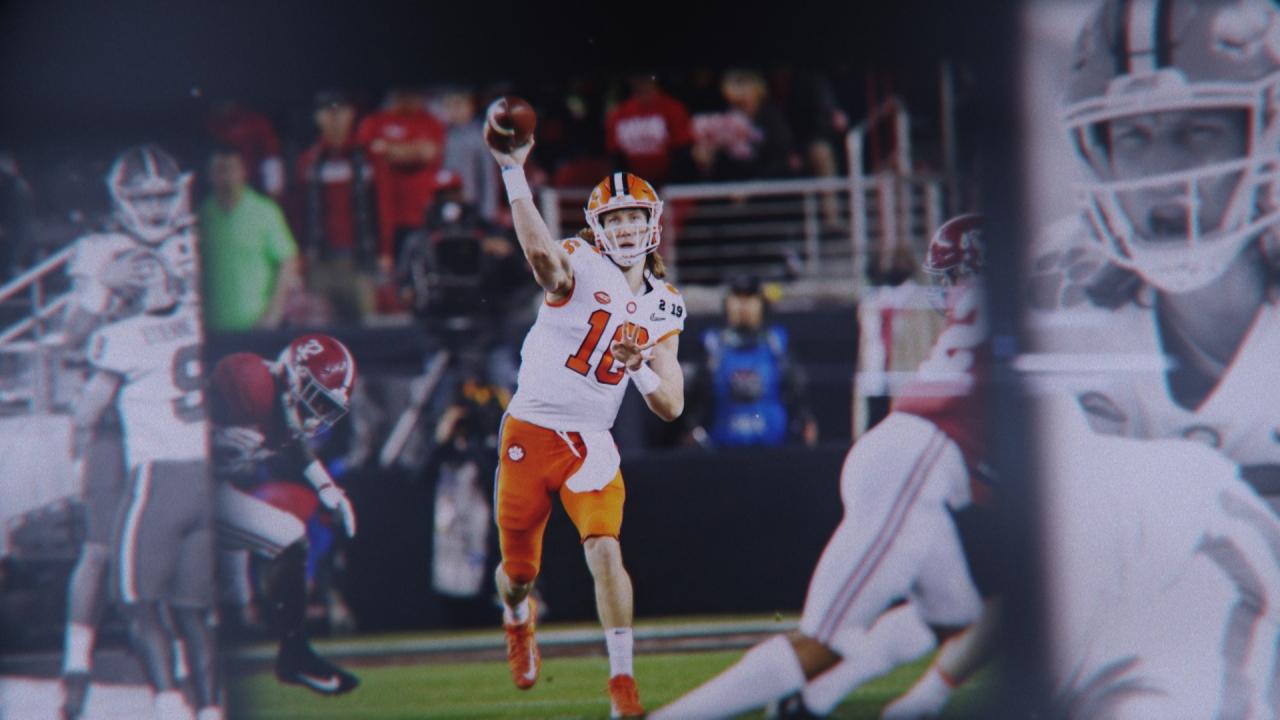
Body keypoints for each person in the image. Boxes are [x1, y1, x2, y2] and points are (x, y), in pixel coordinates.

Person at [652, 214, 992, 719]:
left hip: (906, 456)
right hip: (915, 467)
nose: (946, 291)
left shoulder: (995, 319)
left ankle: (811, 701)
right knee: (822, 641)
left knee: (954, 617)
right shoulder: (1027, 321)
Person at [487, 128, 686, 717]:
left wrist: (639, 369)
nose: (624, 229)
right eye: (614, 219)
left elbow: (671, 405)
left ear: (651, 224)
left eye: (633, 218)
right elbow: (541, 258)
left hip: (591, 441)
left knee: (604, 548)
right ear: (598, 228)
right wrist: (513, 172)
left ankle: (622, 681)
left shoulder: (665, 303)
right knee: (518, 573)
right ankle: (517, 616)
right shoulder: (580, 260)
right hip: (531, 431)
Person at [58, 144, 200, 720]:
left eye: (163, 196)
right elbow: (70, 339)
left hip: (174, 417)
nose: (156, 208)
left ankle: (183, 676)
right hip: (117, 417)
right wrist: (101, 290)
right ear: (121, 200)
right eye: (144, 198)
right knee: (99, 548)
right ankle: (76, 665)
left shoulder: (192, 243)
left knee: (182, 550)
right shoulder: (99, 250)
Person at [70, 268, 218, 720]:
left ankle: (169, 704)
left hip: (159, 479)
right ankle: (210, 708)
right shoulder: (198, 323)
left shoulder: (122, 337)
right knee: (192, 612)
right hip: (208, 475)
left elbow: (88, 411)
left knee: (137, 603)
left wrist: (78, 453)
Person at [208, 334, 361, 696]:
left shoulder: (279, 404)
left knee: (288, 539)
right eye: (317, 401)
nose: (319, 415)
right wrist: (213, 437)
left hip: (213, 493)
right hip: (183, 487)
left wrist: (328, 489)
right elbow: (181, 416)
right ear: (294, 378)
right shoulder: (248, 381)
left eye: (327, 407)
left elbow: (293, 441)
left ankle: (293, 656)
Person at [686, 275, 817, 448]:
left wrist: (806, 419)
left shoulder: (777, 343)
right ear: (727, 303)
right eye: (738, 298)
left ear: (761, 304)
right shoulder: (712, 345)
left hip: (774, 447)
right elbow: (693, 397)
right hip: (721, 448)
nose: (744, 305)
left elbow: (797, 387)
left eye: (750, 298)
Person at [296, 90, 378, 324]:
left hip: (359, 261)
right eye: (327, 112)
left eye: (340, 111)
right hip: (320, 261)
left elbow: (380, 206)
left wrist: (384, 254)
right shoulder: (308, 160)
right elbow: (298, 211)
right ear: (317, 117)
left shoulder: (366, 157)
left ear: (351, 114)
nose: (334, 119)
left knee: (366, 325)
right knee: (320, 327)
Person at [199, 147, 301, 332]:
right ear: (210, 175)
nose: (227, 177)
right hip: (212, 328)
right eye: (220, 170)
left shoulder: (264, 211)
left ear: (243, 172)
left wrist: (273, 313)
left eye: (232, 169)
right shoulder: (201, 215)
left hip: (257, 326)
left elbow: (288, 261)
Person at [356, 86, 447, 272]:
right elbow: (369, 150)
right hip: (381, 216)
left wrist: (389, 149)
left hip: (421, 215)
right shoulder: (374, 121)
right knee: (385, 276)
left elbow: (428, 152)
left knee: (421, 272)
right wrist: (412, 150)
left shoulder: (431, 122)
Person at [605, 73, 695, 188]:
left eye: (646, 77)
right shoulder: (618, 115)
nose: (642, 82)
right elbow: (616, 158)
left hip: (670, 184)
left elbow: (682, 152)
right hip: (633, 187)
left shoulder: (673, 109)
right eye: (638, 77)